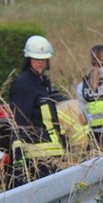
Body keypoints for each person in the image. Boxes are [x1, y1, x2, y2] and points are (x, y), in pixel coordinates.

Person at [8, 35, 69, 177]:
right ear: (28, 59)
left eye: (43, 59)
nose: (40, 63)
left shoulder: (41, 82)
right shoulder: (23, 84)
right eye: (36, 59)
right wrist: (18, 155)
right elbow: (19, 121)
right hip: (37, 156)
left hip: (53, 152)